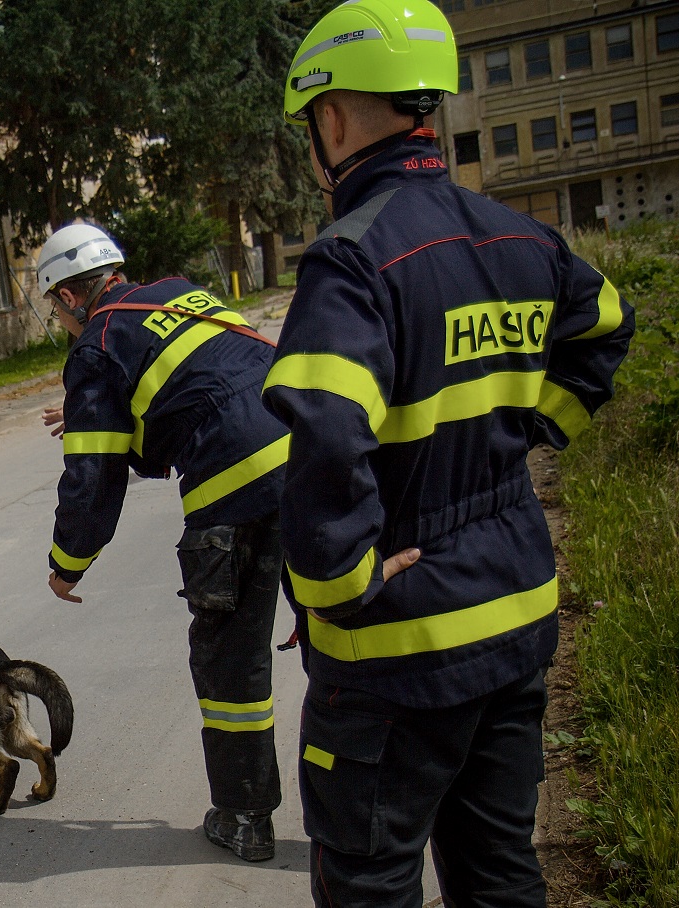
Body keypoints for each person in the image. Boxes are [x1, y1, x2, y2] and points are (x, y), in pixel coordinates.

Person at [261, 0, 635, 904]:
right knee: (498, 869)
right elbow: (603, 329)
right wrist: (527, 433)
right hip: (514, 605)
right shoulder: (520, 234)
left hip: (399, 644)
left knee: (369, 880)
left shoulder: (349, 259)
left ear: (334, 116)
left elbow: (323, 432)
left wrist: (338, 589)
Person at [37, 222, 290, 861]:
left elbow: (93, 478)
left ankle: (243, 816)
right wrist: (104, 407)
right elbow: (202, 380)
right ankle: (380, 806)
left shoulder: (94, 348)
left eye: (54, 309)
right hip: (316, 456)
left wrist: (68, 562)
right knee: (342, 625)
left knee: (230, 658)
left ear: (69, 297)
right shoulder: (179, 294)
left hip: (237, 488)